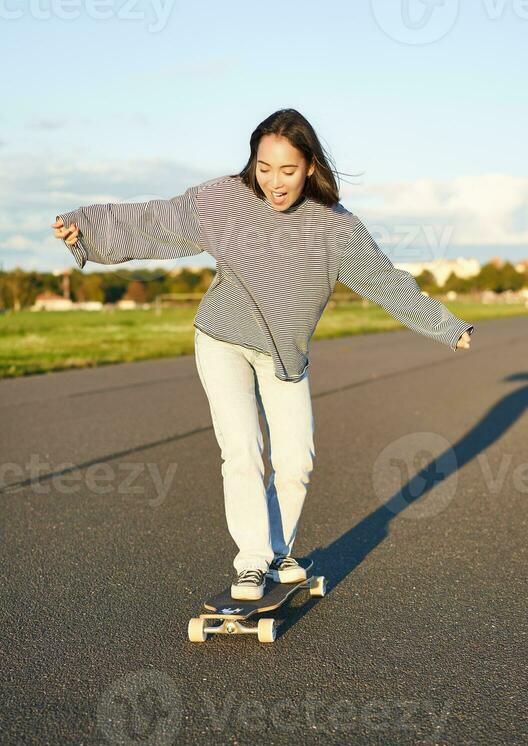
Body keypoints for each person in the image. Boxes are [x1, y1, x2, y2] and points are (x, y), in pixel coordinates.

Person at [53, 108, 474, 601]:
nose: (275, 182)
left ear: (311, 167)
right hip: (222, 341)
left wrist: (447, 326)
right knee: (243, 450)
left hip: (284, 355)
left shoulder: (336, 229)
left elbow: (385, 283)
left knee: (296, 458)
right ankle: (251, 561)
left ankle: (276, 550)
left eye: (288, 171)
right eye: (264, 168)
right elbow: (154, 220)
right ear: (253, 162)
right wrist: (84, 228)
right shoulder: (224, 199)